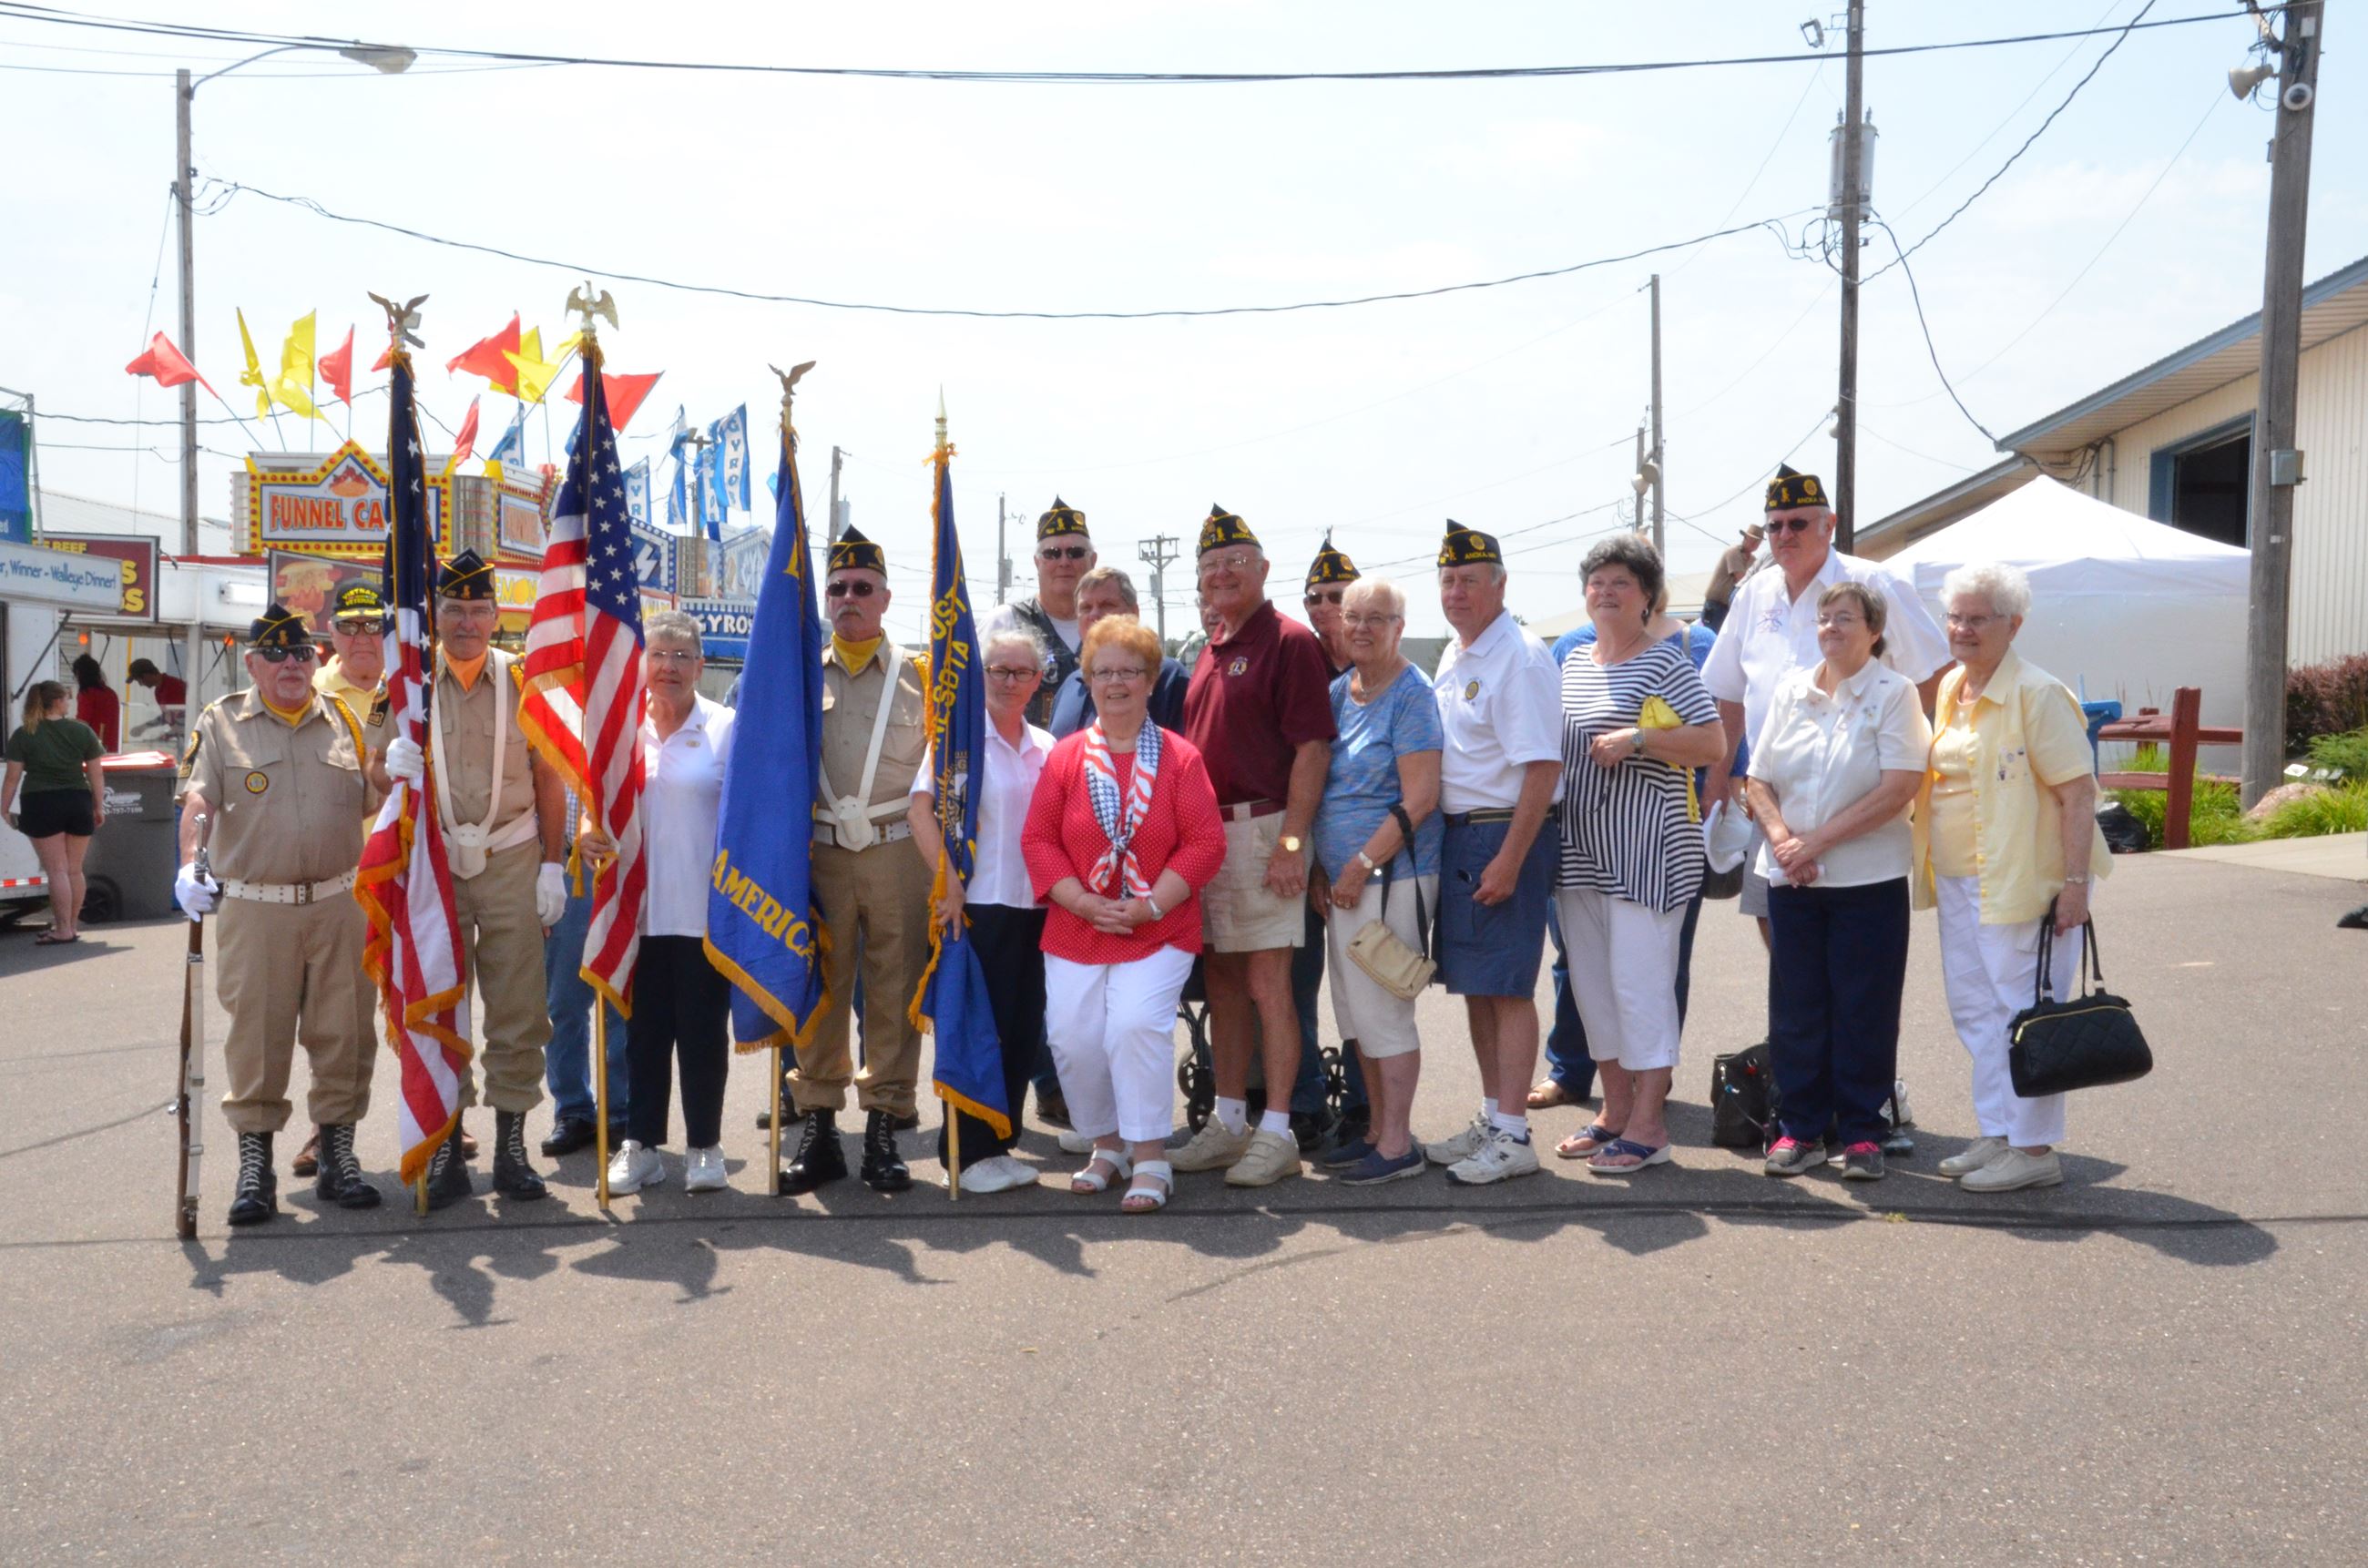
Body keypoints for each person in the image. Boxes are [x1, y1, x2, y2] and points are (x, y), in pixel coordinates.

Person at [170, 606, 382, 1222]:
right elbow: (199, 799)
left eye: (302, 654)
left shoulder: (344, 718)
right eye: (276, 654)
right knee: (257, 1040)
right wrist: (189, 863)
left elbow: (375, 794)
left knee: (346, 1034)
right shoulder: (221, 721)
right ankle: (254, 1167)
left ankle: (338, 1156)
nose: (291, 664)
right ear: (252, 663)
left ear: (317, 661)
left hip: (339, 904)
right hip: (258, 907)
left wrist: (392, 772)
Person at [371, 550, 567, 1209]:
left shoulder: (525, 679)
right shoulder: (408, 683)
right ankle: (448, 1147)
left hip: (512, 857)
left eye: (478, 610)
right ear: (436, 615)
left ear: (495, 614)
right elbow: (372, 771)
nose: (465, 623)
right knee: (439, 1003)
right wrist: (391, 765)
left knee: (518, 1008)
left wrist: (552, 863)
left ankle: (511, 1147)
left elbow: (550, 777)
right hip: (435, 863)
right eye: (453, 610)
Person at [1914, 562, 2111, 1194]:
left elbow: (2078, 794)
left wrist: (2075, 886)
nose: (1963, 629)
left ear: (2014, 624)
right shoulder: (1953, 686)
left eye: (1979, 618)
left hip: (2025, 879)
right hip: (1960, 876)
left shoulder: (2037, 693)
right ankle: (1998, 1131)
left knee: (2025, 1013)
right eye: (1955, 617)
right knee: (1976, 1010)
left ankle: (2033, 1149)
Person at [1024, 615, 1225, 1212]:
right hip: (1078, 922)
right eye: (1103, 672)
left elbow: (1205, 842)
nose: (1115, 683)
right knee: (1073, 1037)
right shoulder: (1065, 758)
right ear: (1088, 680)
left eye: (1129, 672)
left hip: (1158, 925)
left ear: (1150, 680)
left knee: (1135, 1026)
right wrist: (1083, 902)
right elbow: (1039, 839)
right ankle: (1107, 1145)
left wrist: (1150, 904)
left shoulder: (1180, 758)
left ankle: (1151, 1155)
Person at [1701, 464, 1949, 942]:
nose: (1784, 535)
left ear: (1829, 525)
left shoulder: (1875, 584)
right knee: (1778, 931)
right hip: (1774, 800)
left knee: (1854, 947)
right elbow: (1729, 696)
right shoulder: (1753, 594)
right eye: (1775, 526)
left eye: (1798, 523)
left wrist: (1895, 757)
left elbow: (1935, 676)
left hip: (1857, 801)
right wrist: (1715, 786)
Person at [1549, 535, 1728, 1174]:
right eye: (1597, 582)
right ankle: (1614, 1111)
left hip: (1647, 852)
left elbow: (1712, 743)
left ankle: (1650, 1127)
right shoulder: (1572, 662)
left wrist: (1639, 738)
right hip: (1580, 851)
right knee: (1593, 988)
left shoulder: (1666, 662)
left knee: (1641, 986)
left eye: (1621, 582)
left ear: (1647, 595)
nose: (1606, 592)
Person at [1170, 505, 1336, 1188]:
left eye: (1235, 561)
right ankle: (1231, 1121)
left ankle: (1277, 1131)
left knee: (1270, 987)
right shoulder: (1211, 647)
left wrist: (1292, 842)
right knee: (1224, 987)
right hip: (1211, 836)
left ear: (1264, 569)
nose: (1222, 573)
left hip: (1266, 829)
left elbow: (1312, 749)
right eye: (1210, 565)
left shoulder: (1289, 641)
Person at [1745, 582, 1931, 1181]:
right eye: (1824, 617)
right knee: (1797, 1008)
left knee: (1863, 1008)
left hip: (1867, 879)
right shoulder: (1791, 690)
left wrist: (1815, 843)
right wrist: (1783, 840)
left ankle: (1861, 1133)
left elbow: (1899, 788)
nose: (1830, 627)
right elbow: (1757, 780)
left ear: (1874, 631)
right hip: (1792, 878)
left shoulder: (1894, 693)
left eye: (1844, 618)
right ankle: (1799, 1129)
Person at [779, 526, 933, 1196]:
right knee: (819, 989)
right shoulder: (799, 673)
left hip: (898, 851)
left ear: (885, 598)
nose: (848, 597)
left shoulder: (922, 677)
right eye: (837, 587)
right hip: (820, 854)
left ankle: (883, 1127)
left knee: (895, 991)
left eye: (862, 587)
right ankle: (818, 1125)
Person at [1423, 521, 1563, 1184]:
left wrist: (1509, 858)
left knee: (1507, 989)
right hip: (1463, 834)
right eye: (1448, 580)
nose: (1456, 592)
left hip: (1505, 832)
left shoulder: (1520, 656)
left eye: (1470, 580)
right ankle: (1492, 1117)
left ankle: (1513, 1134)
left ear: (1501, 586)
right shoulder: (1457, 654)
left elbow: (1542, 767)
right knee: (1477, 989)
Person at [593, 611, 737, 1196]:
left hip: (704, 913)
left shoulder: (726, 727)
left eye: (681, 656)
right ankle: (642, 1146)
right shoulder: (620, 730)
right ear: (641, 664)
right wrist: (586, 836)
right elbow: (595, 805)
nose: (669, 666)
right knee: (642, 1038)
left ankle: (704, 1147)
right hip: (638, 914)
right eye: (658, 654)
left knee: (703, 1036)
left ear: (700, 666)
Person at [908, 626, 1056, 1194]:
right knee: (975, 1031)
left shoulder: (1047, 747)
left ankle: (999, 1144)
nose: (1009, 681)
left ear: (1038, 681)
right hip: (976, 907)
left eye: (1021, 672)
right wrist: (945, 881)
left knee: (1021, 1030)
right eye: (998, 670)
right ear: (980, 674)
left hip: (1036, 908)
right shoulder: (957, 742)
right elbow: (920, 811)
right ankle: (965, 1155)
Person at [1312, 576, 1441, 1184]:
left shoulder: (1413, 695)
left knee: (1385, 1013)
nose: (1361, 628)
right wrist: (1323, 867)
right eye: (1353, 617)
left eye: (1376, 618)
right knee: (1355, 1014)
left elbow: (1420, 798)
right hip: (1343, 885)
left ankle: (1397, 1145)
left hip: (1392, 881)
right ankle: (1375, 1133)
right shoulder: (1340, 691)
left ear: (1399, 628)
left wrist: (1360, 864)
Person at [1288, 531, 1370, 1154]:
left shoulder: (1387, 669)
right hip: (1304, 851)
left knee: (1366, 989)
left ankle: (1367, 1107)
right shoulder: (1297, 665)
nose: (1325, 607)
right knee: (1296, 984)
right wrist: (1307, 859)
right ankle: (1305, 1102)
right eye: (1314, 597)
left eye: (1337, 595)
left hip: (1371, 857)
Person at [4, 680, 107, 945]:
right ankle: (71, 926)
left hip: (41, 802)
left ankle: (62, 929)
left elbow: (12, 778)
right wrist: (99, 805)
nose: (69, 703)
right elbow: (96, 773)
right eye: (67, 699)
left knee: (57, 870)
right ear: (57, 702)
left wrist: (4, 808)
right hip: (78, 800)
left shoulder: (24, 734)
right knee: (74, 870)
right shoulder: (81, 731)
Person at [982, 496, 1095, 726]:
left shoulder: (1108, 626)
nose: (1064, 562)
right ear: (1037, 562)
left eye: (1075, 553)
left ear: (1092, 560)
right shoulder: (1004, 622)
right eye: (1052, 553)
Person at [1046, 566, 1189, 738]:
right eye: (1086, 608)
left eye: (1107, 605)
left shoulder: (1169, 678)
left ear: (1134, 613)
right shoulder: (1069, 687)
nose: (1095, 615)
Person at [312, 582, 387, 712]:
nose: (362, 640)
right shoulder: (309, 691)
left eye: (374, 626)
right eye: (348, 627)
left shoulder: (413, 690)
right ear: (331, 632)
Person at [126, 657, 188, 738]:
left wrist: (145, 727)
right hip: (182, 735)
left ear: (146, 675)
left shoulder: (173, 686)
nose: (140, 684)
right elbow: (168, 716)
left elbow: (181, 717)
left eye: (139, 680)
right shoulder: (158, 691)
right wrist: (144, 727)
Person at [71, 655, 120, 752]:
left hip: (94, 747)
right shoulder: (111, 693)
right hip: (112, 746)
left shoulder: (87, 694)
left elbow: (83, 722)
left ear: (79, 674)